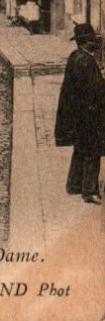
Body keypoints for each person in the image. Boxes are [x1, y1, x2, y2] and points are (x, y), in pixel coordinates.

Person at [55, 22, 105, 204]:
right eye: (93, 41)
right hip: (88, 114)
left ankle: (74, 184)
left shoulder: (75, 57)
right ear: (88, 43)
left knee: (80, 148)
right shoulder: (86, 62)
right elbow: (95, 90)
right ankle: (89, 190)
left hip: (76, 114)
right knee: (93, 150)